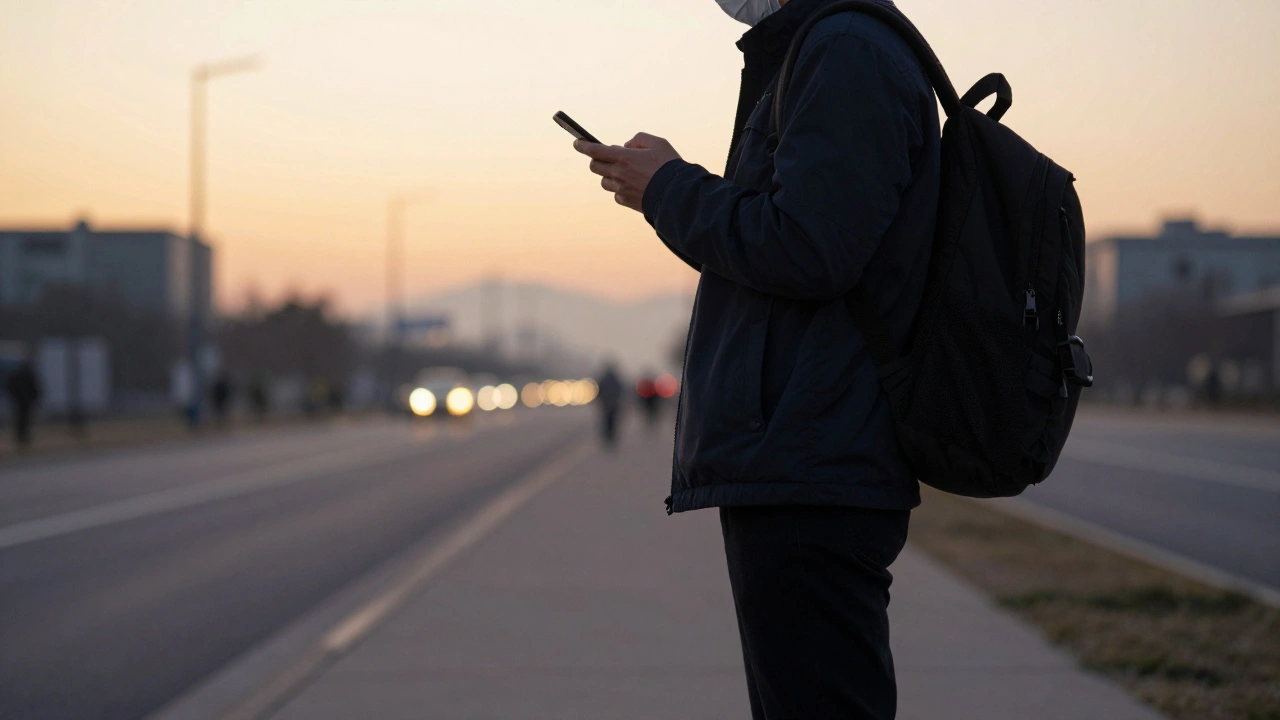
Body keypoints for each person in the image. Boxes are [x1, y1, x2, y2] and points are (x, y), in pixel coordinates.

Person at [573, 0, 941, 717]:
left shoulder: (846, 51)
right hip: (802, 452)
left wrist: (671, 189)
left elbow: (809, 247)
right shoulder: (824, 46)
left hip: (813, 456)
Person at [5, 359, 42, 449]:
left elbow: (10, 387)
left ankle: (21, 437)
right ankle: (22, 437)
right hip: (24, 401)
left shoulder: (17, 376)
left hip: (21, 401)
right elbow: (35, 388)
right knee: (24, 419)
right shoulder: (27, 376)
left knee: (21, 419)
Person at [595, 362, 624, 447]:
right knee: (612, 420)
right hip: (613, 403)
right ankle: (611, 436)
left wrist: (599, 400)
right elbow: (620, 390)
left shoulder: (603, 379)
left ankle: (607, 436)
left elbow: (598, 391)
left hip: (605, 403)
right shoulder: (616, 379)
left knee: (606, 420)